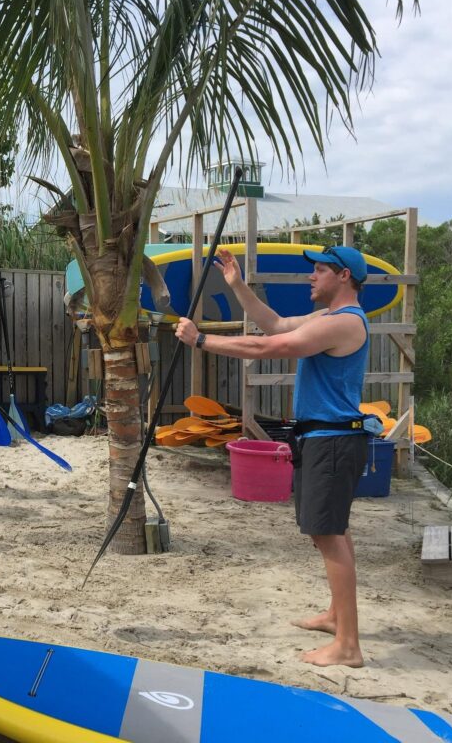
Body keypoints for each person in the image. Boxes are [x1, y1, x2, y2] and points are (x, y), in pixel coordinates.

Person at [174, 245, 371, 668]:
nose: (311, 277)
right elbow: (276, 323)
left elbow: (271, 347)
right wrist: (237, 285)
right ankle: (337, 617)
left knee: (329, 536)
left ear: (344, 277)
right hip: (325, 439)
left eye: (319, 270)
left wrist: (202, 340)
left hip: (332, 441)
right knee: (331, 531)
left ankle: (349, 646)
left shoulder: (343, 323)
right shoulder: (329, 318)